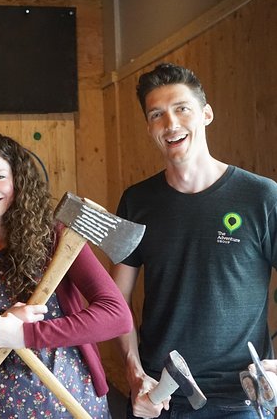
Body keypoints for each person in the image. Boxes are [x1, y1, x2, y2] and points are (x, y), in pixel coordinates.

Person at [0, 132, 133, 418]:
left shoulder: (56, 239)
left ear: (17, 180)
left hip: (72, 402)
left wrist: (25, 334)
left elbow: (117, 316)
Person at [111, 62, 277, 418]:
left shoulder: (261, 197)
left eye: (181, 109)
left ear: (206, 114)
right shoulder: (136, 202)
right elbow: (115, 300)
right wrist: (135, 374)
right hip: (160, 398)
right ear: (149, 128)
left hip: (241, 397)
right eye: (157, 114)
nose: (170, 124)